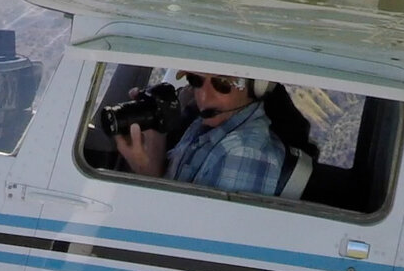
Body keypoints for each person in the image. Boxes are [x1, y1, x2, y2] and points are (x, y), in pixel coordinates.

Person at [113, 71, 289, 197]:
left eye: (222, 84)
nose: (204, 97)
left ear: (257, 87)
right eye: (195, 80)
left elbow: (190, 239)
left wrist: (146, 174)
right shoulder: (209, 127)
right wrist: (155, 139)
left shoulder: (243, 151)